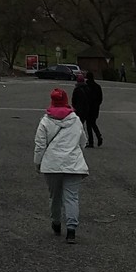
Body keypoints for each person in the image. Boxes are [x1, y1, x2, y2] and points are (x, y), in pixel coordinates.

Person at [33, 87, 89, 243]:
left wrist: (38, 163)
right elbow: (83, 142)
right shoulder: (75, 120)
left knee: (55, 196)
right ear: (66, 101)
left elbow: (40, 145)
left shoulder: (45, 121)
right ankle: (71, 230)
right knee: (72, 197)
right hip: (73, 164)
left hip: (52, 164)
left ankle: (56, 223)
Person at [72, 72, 104, 147]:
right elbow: (100, 98)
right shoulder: (97, 86)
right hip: (95, 108)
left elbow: (84, 99)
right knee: (93, 123)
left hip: (88, 108)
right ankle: (98, 136)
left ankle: (91, 141)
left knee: (88, 125)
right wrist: (97, 105)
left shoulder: (86, 87)